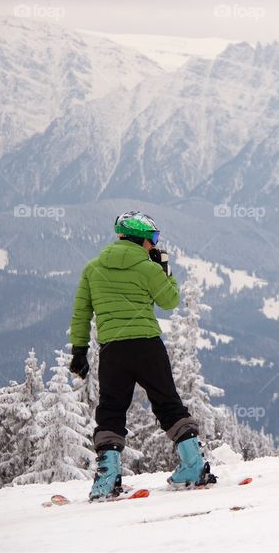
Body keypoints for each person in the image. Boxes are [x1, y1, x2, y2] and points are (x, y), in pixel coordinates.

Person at [69, 210, 216, 500]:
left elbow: (81, 313)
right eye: (154, 238)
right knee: (168, 404)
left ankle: (107, 478)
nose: (156, 244)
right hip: (148, 346)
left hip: (113, 352)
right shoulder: (148, 268)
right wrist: (165, 270)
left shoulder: (92, 268)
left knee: (111, 411)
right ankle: (194, 465)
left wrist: (79, 350)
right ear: (142, 239)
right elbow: (170, 301)